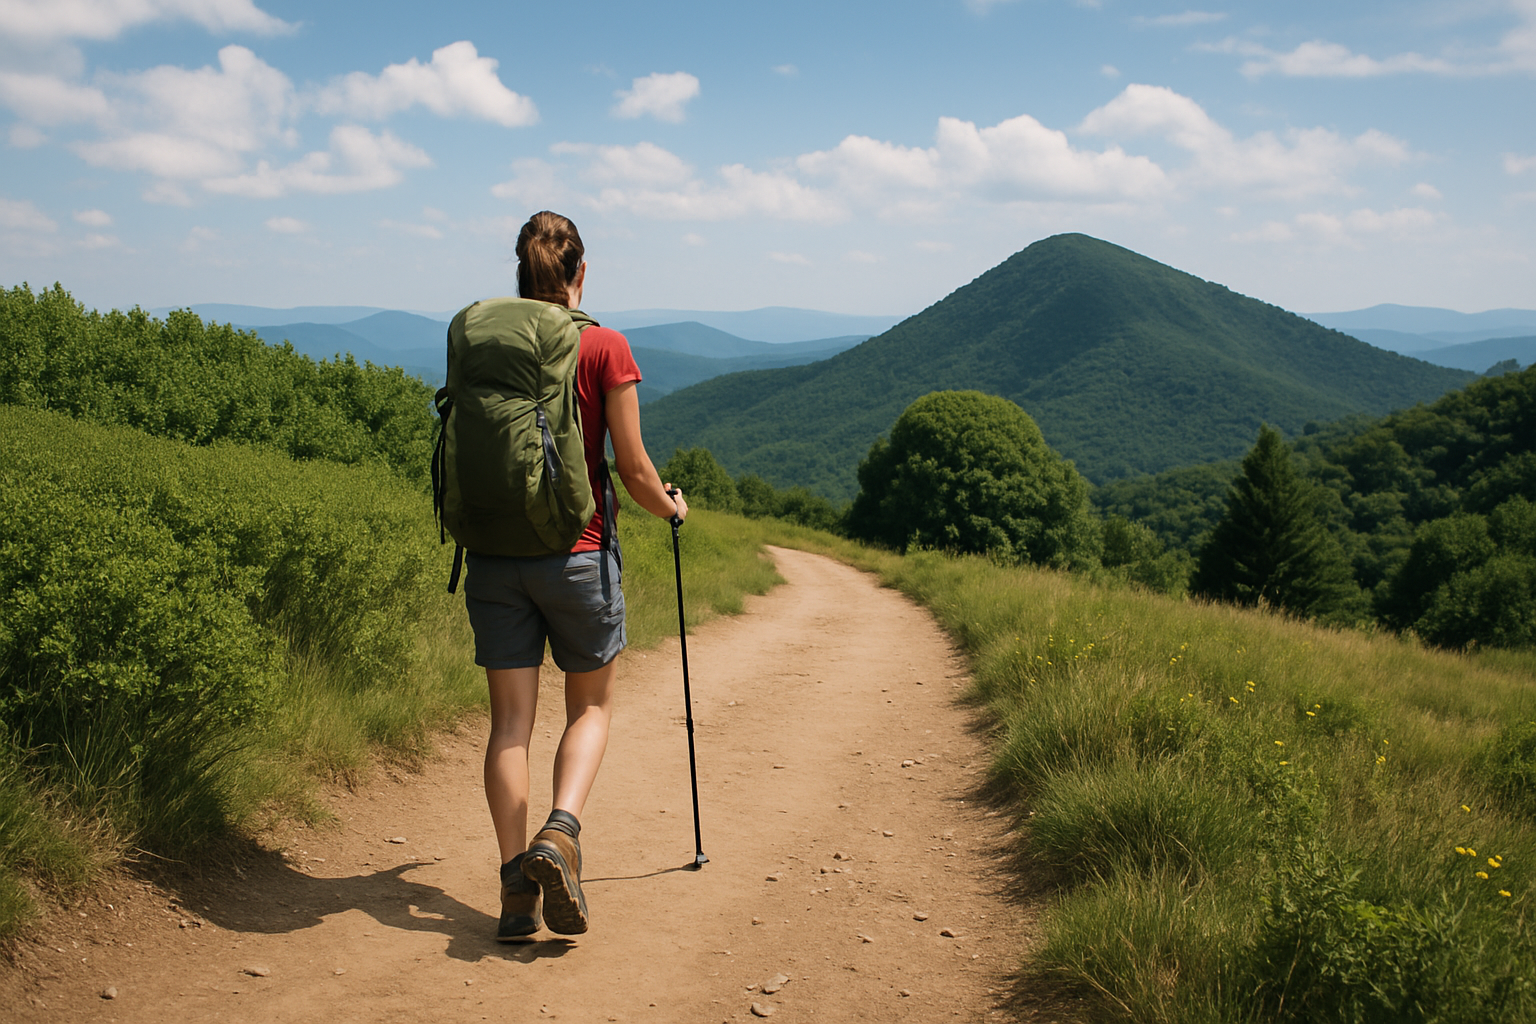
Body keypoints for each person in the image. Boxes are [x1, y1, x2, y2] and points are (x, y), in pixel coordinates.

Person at [462, 211, 687, 940]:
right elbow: (633, 466)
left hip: (494, 556)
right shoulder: (605, 345)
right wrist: (672, 510)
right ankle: (558, 836)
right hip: (578, 554)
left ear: (519, 277)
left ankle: (512, 891)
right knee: (589, 707)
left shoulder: (480, 345)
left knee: (509, 724)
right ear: (579, 274)